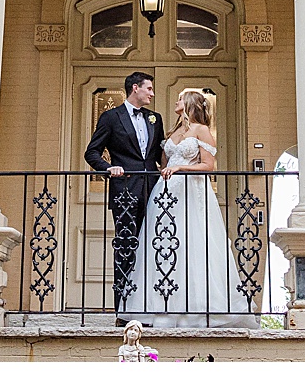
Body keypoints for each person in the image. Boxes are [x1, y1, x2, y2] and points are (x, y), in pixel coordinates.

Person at [126, 89, 257, 327]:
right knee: (163, 243)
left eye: (179, 98)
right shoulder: (174, 131)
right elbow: (164, 162)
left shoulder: (202, 130)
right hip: (165, 192)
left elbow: (208, 166)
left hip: (191, 191)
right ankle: (161, 306)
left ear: (189, 104)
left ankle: (196, 308)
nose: (175, 101)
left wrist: (180, 169)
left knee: (192, 241)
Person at [84, 71, 163, 324]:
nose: (151, 93)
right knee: (126, 248)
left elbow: (159, 155)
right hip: (125, 193)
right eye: (148, 88)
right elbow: (92, 152)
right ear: (135, 88)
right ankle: (124, 311)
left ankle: (152, 307)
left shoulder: (155, 118)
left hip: (153, 190)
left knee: (154, 247)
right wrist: (108, 168)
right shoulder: (110, 117)